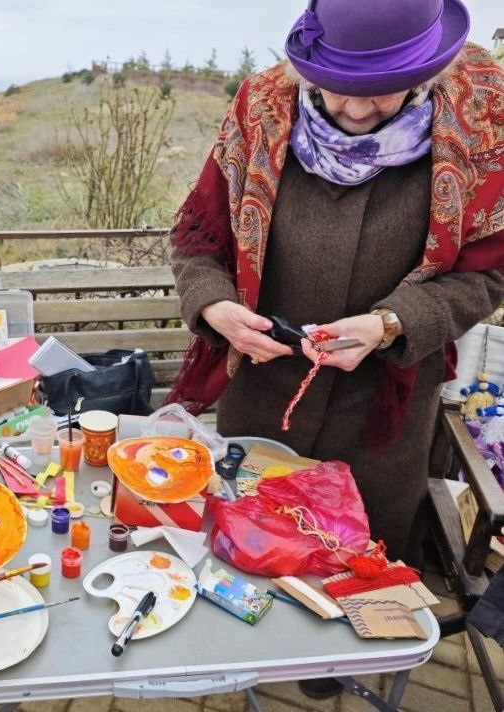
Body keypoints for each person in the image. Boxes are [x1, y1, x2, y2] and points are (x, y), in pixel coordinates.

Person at [170, 0, 503, 591]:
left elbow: (488, 274)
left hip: (384, 411)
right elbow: (199, 240)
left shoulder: (482, 120)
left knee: (357, 567)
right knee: (250, 550)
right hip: (265, 393)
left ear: (425, 72)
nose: (350, 108)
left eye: (379, 91)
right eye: (332, 87)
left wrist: (393, 323)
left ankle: (333, 675)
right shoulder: (261, 108)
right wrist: (216, 306)